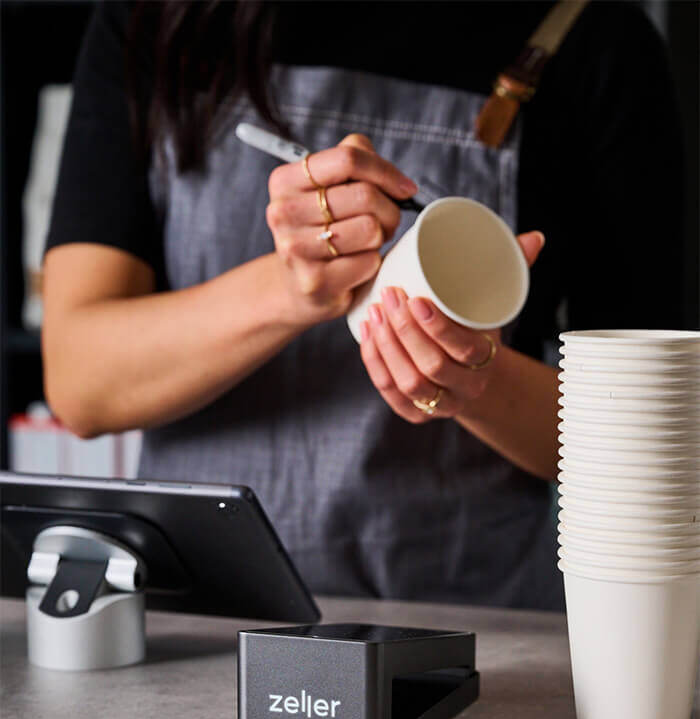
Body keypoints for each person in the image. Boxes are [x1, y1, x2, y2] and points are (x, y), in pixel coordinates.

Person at [42, 1, 684, 610]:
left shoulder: (589, 33)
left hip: (477, 630)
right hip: (201, 619)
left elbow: (652, 434)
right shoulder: (161, 16)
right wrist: (293, 287)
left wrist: (474, 381)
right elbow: (80, 383)